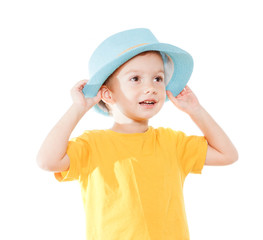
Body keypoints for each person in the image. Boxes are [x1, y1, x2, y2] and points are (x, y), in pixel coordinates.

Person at [37, 28, 238, 240]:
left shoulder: (172, 143)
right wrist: (78, 107)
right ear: (107, 93)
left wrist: (195, 110)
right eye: (135, 79)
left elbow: (228, 154)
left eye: (158, 79)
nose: (150, 87)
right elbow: (46, 161)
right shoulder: (92, 145)